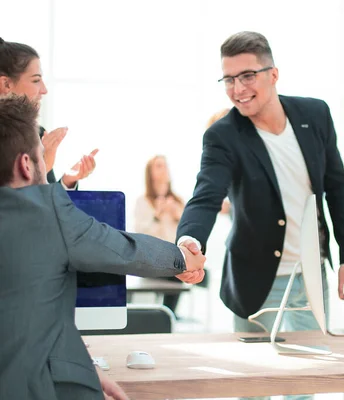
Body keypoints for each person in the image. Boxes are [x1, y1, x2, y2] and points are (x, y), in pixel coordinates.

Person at [0, 95, 206, 400]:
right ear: (27, 165)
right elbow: (121, 249)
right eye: (43, 156)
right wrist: (184, 259)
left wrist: (84, 368)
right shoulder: (46, 213)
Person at [177, 31, 344, 340]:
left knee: (308, 375)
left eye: (248, 76)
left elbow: (338, 188)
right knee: (253, 384)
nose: (238, 89)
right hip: (253, 277)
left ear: (273, 74)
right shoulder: (223, 136)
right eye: (229, 79)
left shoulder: (315, 115)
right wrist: (188, 241)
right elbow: (206, 197)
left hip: (310, 274)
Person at [0, 38, 97, 189]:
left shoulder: (37, 134)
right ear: (6, 84)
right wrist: (41, 168)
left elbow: (46, 203)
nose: (44, 90)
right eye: (36, 80)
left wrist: (67, 181)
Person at [134, 155, 186, 313]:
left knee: (171, 303)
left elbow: (186, 236)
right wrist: (157, 215)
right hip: (151, 262)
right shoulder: (142, 201)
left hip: (174, 265)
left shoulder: (178, 202)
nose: (164, 169)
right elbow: (140, 234)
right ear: (150, 173)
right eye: (159, 166)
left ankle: (170, 319)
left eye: (165, 165)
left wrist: (176, 215)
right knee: (149, 308)